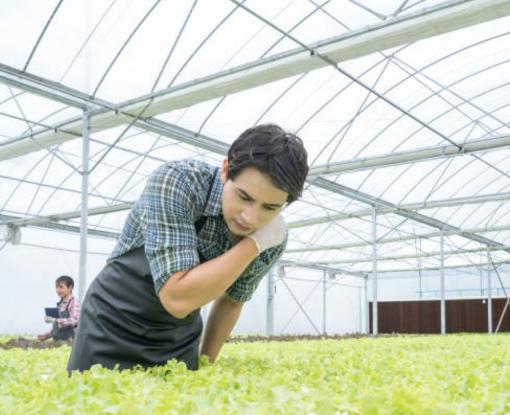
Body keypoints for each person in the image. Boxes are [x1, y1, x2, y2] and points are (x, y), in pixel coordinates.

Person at [67, 124, 308, 372]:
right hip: (111, 322)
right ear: (226, 170)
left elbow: (232, 302)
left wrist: (205, 364)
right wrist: (252, 245)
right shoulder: (178, 182)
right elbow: (176, 298)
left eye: (270, 208)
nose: (250, 218)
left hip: (177, 337)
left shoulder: (273, 237)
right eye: (244, 197)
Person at [37, 275, 80, 342]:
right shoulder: (61, 304)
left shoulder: (74, 302)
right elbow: (59, 327)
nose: (58, 290)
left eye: (61, 287)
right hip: (58, 342)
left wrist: (55, 320)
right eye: (56, 287)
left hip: (70, 341)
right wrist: (46, 336)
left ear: (70, 287)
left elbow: (74, 321)